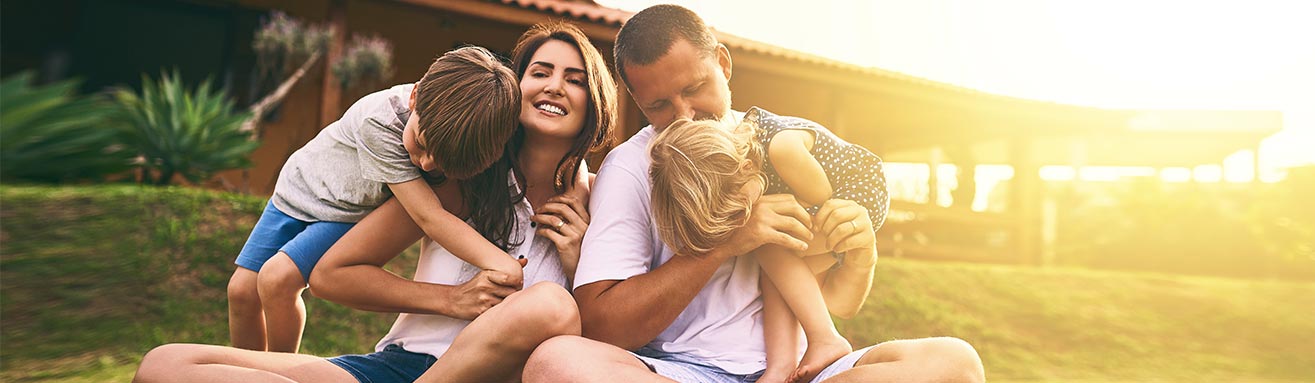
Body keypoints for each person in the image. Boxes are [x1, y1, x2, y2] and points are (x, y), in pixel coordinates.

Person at [133, 22, 619, 383]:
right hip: (401, 366)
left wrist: (579, 260)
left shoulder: (603, 201)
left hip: (507, 374)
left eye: (575, 79)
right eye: (540, 72)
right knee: (166, 365)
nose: (555, 85)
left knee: (550, 303)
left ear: (595, 100)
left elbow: (616, 343)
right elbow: (331, 275)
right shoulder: (461, 181)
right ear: (511, 92)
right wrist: (450, 300)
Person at [524, 4, 985, 383]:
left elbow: (835, 300)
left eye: (695, 89)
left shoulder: (784, 145)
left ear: (723, 64)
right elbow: (602, 326)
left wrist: (861, 254)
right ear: (637, 103)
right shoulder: (631, 166)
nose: (685, 115)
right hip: (684, 372)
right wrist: (728, 241)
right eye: (658, 106)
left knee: (955, 363)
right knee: (556, 364)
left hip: (802, 371)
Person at [228, 45, 526, 353]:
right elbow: (429, 216)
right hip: (298, 189)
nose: (424, 164)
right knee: (241, 291)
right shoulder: (380, 123)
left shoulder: (447, 124)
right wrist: (501, 263)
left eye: (439, 163)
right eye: (421, 145)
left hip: (343, 210)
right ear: (415, 97)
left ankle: (276, 371)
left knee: (277, 280)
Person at [647, 110, 889, 382]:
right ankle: (782, 366)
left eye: (740, 211)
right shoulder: (749, 158)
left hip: (856, 194)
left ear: (746, 169)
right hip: (836, 204)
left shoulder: (781, 149)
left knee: (772, 248)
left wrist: (808, 222)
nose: (743, 221)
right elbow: (837, 301)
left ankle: (825, 338)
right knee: (776, 271)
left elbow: (824, 199)